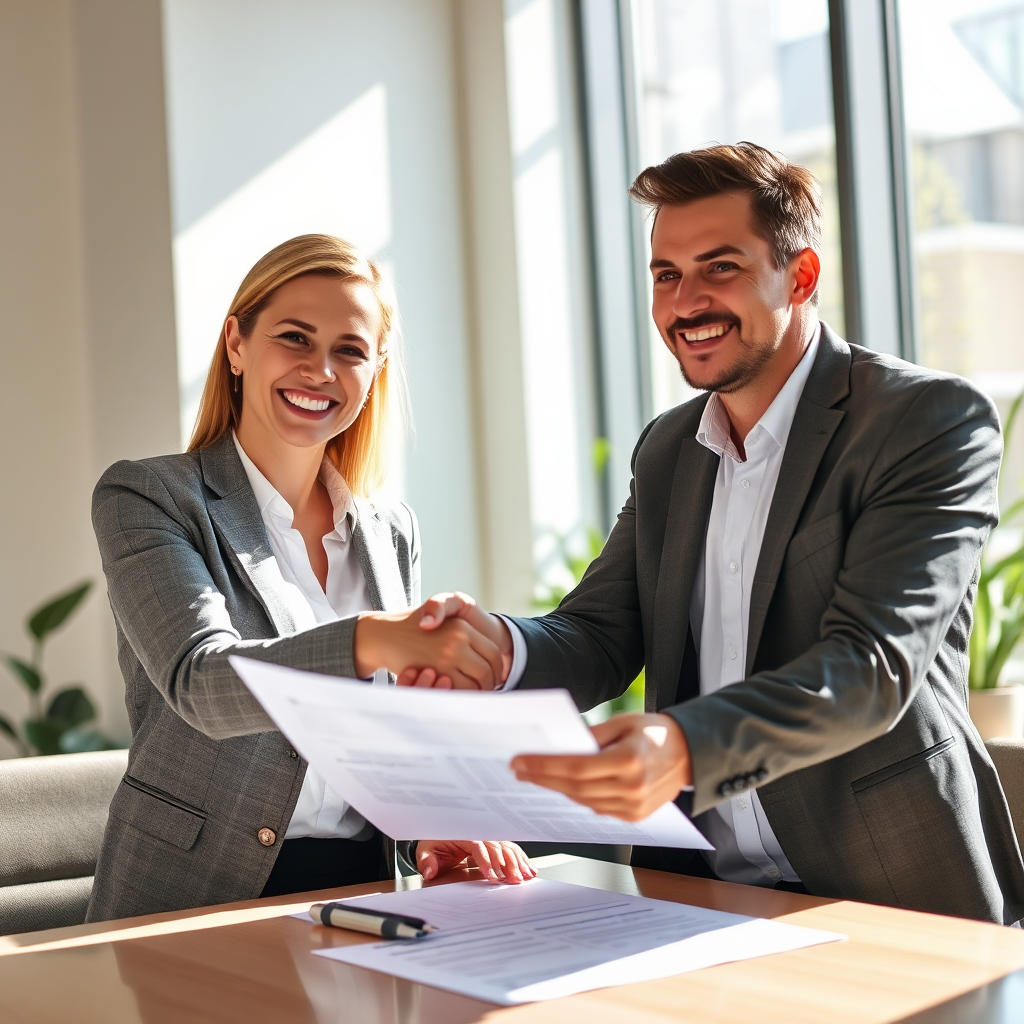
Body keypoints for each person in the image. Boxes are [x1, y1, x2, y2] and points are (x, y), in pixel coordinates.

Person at [411, 144, 1024, 924]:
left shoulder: (925, 421)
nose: (686, 302)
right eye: (666, 275)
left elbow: (870, 668)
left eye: (720, 267)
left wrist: (683, 749)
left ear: (800, 277)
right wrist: (497, 646)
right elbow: (601, 631)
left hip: (884, 885)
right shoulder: (669, 449)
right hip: (700, 896)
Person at [86, 234, 533, 923]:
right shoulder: (149, 497)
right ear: (237, 343)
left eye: (350, 350)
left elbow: (382, 734)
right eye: (295, 339)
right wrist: (375, 639)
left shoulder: (389, 530)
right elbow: (203, 685)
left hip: (360, 893)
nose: (320, 370)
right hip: (195, 896)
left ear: (377, 365)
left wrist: (430, 823)